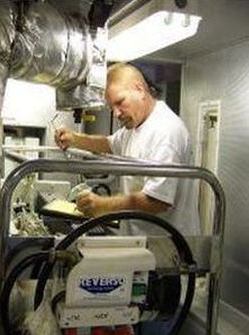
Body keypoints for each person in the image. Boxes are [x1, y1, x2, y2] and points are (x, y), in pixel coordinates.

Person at [54, 62, 200, 236]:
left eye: (120, 102)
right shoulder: (135, 126)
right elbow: (109, 144)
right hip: (140, 242)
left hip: (168, 247)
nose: (116, 113)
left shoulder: (166, 132)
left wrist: (103, 205)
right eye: (111, 108)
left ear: (139, 89)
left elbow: (157, 201)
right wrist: (75, 139)